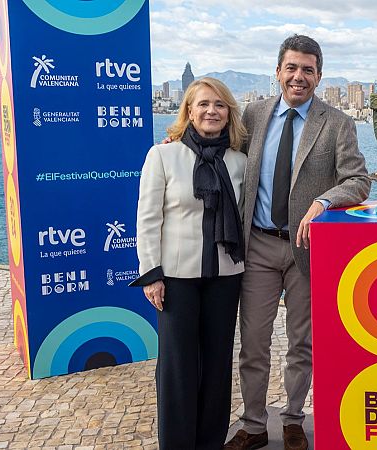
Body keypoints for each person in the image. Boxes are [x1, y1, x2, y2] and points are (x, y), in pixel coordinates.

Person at [224, 34, 370, 450]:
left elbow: (358, 180)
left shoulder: (337, 123)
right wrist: (178, 142)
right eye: (291, 67)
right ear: (278, 72)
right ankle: (253, 424)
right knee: (253, 343)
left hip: (307, 250)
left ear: (319, 76)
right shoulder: (254, 114)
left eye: (308, 69)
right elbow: (222, 150)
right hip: (257, 245)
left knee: (301, 343)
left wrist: (324, 201)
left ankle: (292, 419)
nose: (298, 76)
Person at [131, 77, 248, 449]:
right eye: (203, 104)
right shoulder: (163, 155)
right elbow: (148, 219)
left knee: (217, 366)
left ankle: (210, 442)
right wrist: (151, 274)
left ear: (229, 113)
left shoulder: (240, 161)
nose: (212, 111)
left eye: (219, 104)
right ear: (189, 111)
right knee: (177, 368)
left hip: (225, 276)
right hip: (175, 279)